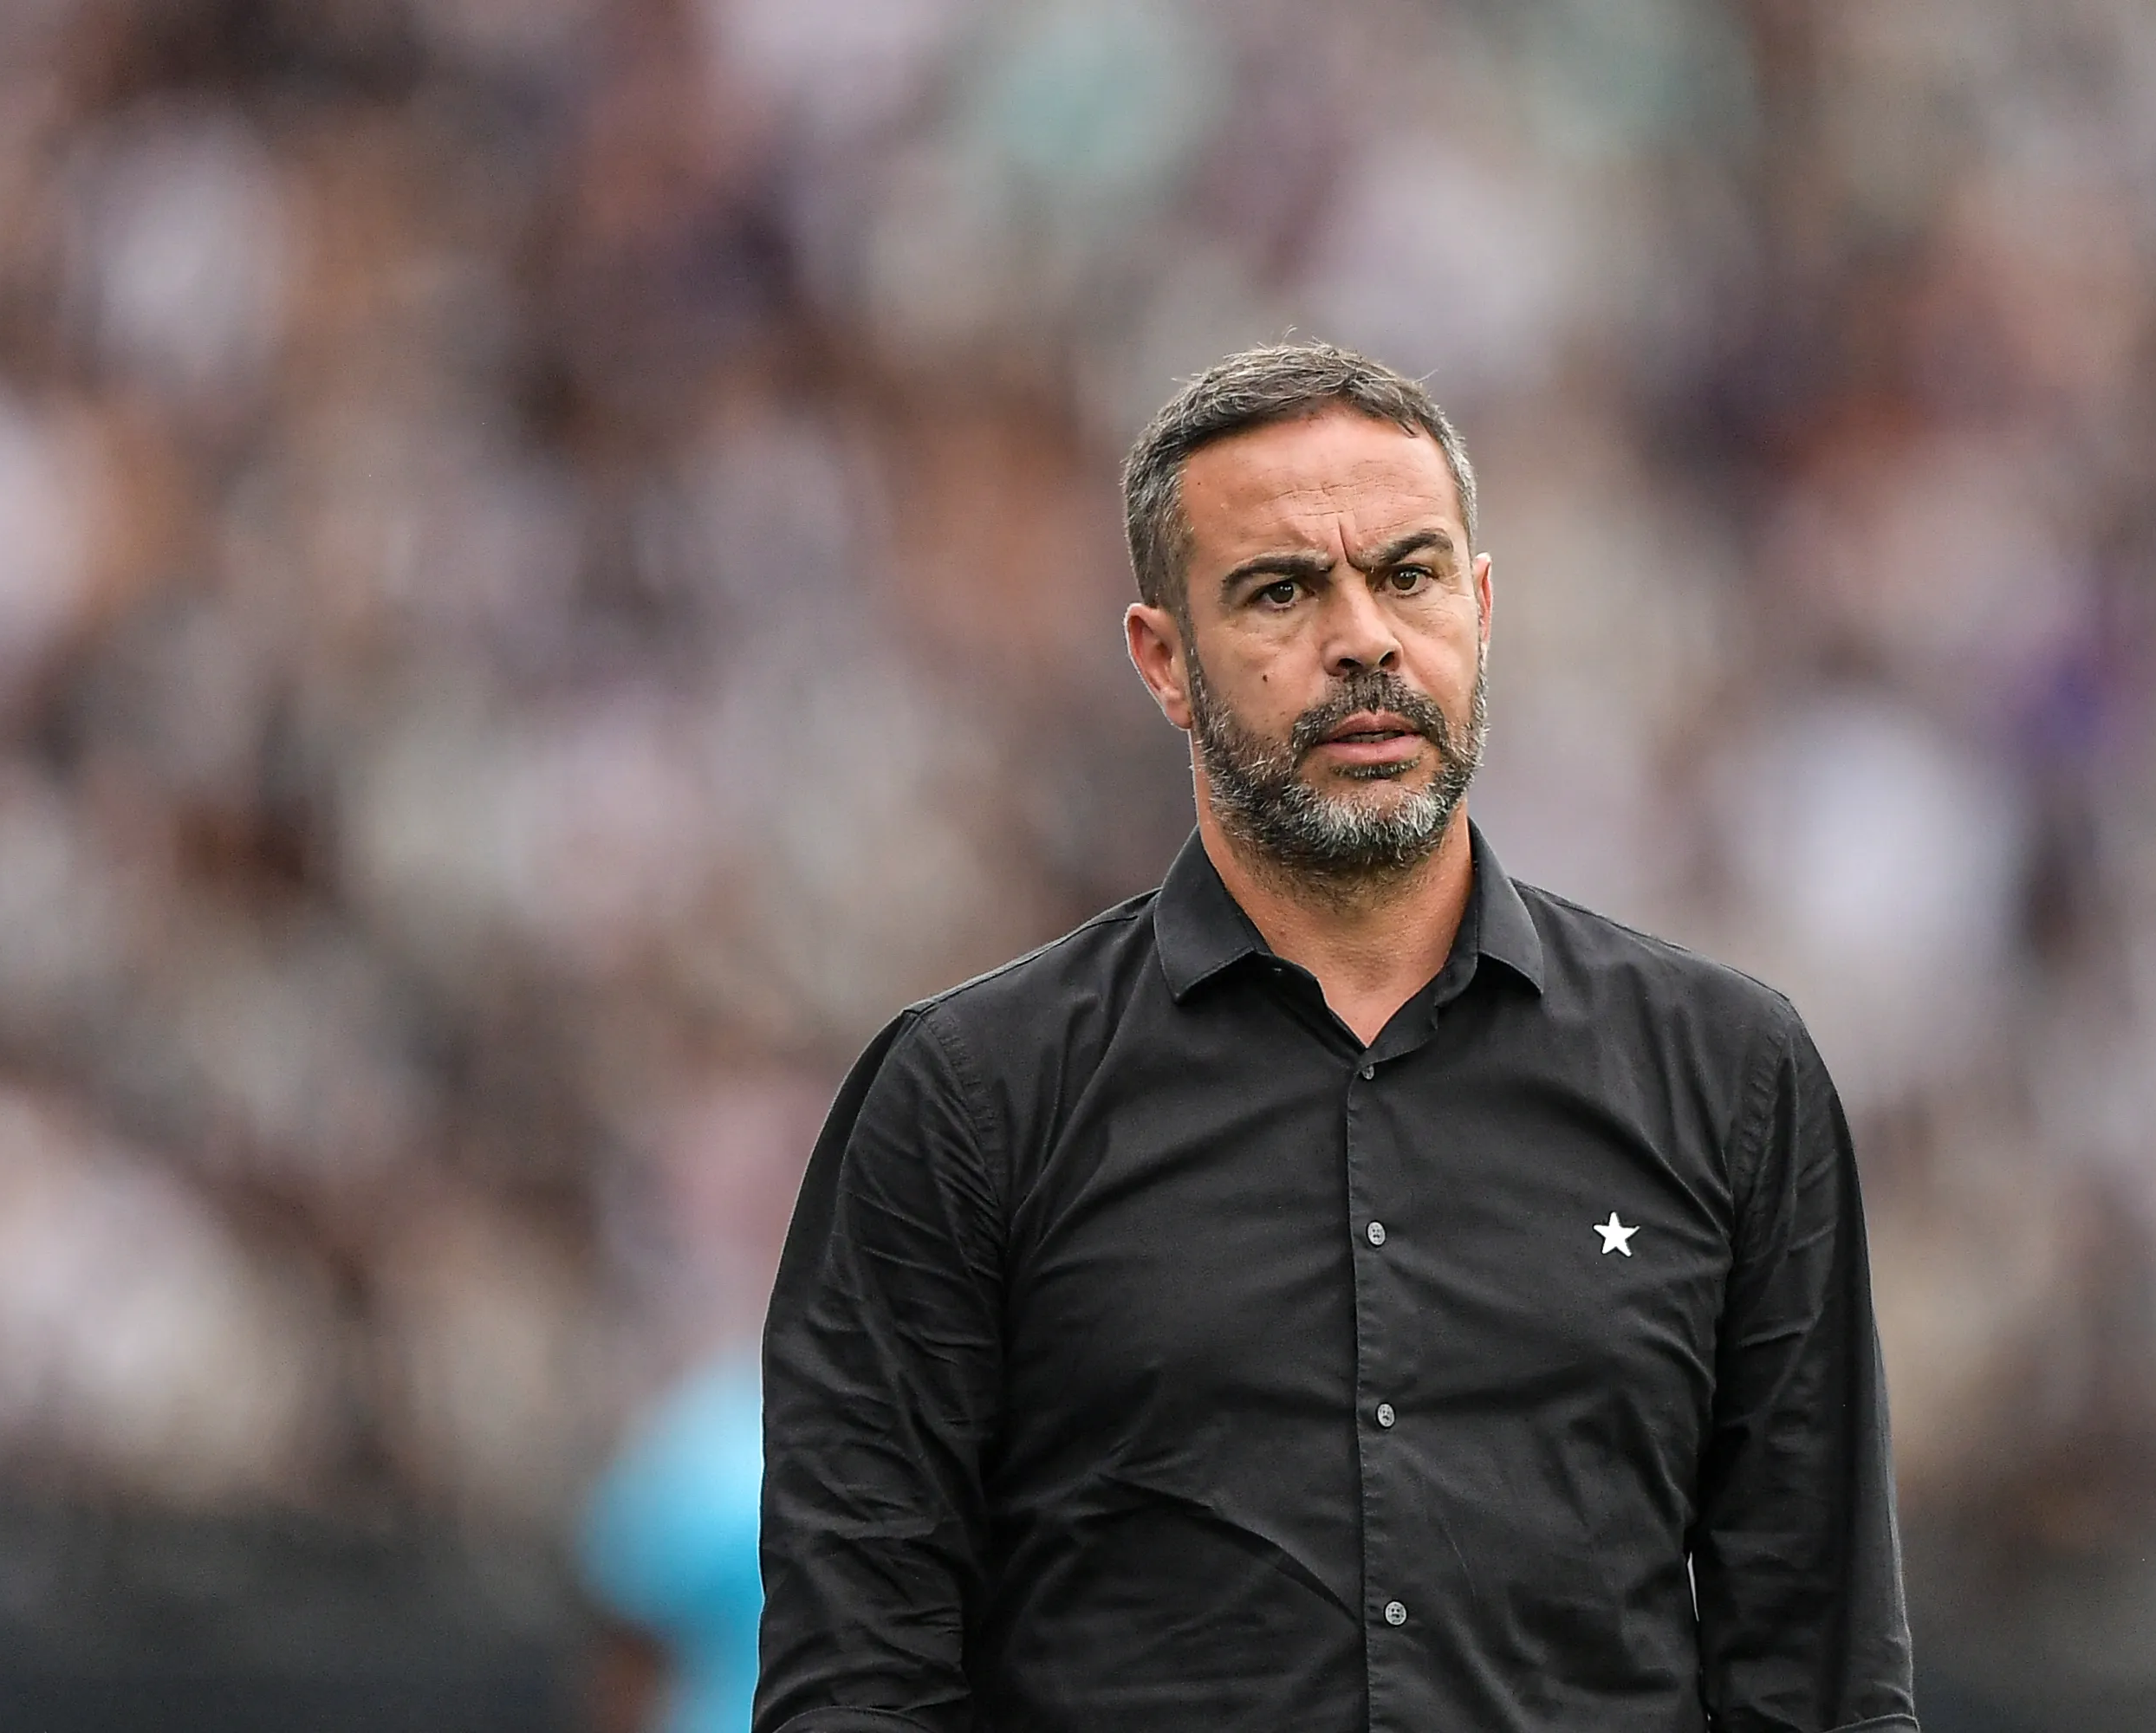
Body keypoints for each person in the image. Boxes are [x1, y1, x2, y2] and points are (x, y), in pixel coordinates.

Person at [756, 341, 1916, 1733]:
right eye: (1281, 590)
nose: (1362, 637)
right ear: (1164, 662)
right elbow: (856, 1678)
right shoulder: (969, 1098)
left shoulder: (1727, 1074)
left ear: (1481, 612)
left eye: (1409, 575)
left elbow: (1825, 1672)